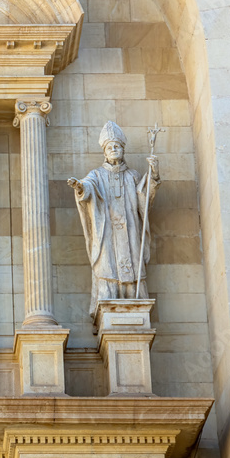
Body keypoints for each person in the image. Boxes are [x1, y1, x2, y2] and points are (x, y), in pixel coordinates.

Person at [68, 121, 160, 319]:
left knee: (133, 264)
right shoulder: (97, 175)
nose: (114, 149)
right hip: (107, 234)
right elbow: (88, 186)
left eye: (117, 146)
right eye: (110, 147)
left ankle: (134, 304)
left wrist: (154, 175)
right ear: (105, 152)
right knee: (107, 265)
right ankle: (108, 307)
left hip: (130, 232)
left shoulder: (133, 175)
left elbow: (144, 196)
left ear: (123, 149)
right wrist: (80, 187)